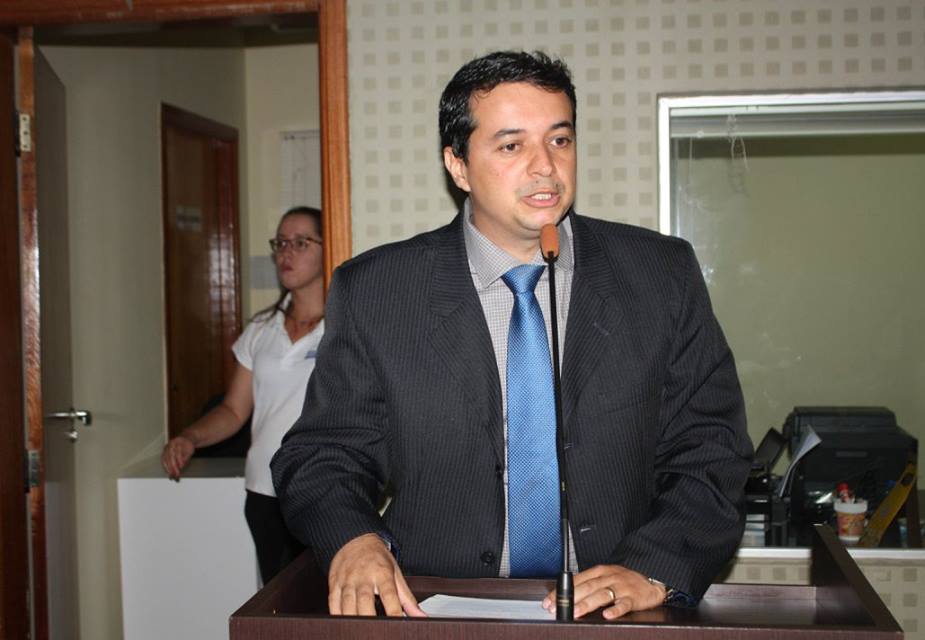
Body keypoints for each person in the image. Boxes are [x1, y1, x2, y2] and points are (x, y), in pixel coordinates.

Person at [272, 51, 752, 619]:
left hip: (612, 614)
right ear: (457, 165)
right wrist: (354, 539)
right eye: (511, 146)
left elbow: (712, 448)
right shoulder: (379, 290)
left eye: (559, 140)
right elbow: (324, 454)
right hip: (436, 610)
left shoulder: (660, 274)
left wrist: (655, 565)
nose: (545, 166)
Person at [162, 206, 325, 584]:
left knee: (326, 603)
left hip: (322, 490)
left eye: (301, 243)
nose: (286, 253)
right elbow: (234, 411)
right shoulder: (261, 328)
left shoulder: (345, 326)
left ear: (327, 247)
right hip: (264, 491)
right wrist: (190, 437)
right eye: (280, 243)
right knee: (275, 603)